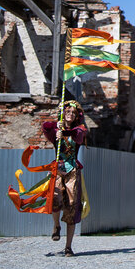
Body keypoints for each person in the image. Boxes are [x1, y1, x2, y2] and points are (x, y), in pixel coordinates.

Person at [42, 100, 87, 257]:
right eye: (67, 111)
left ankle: (68, 247)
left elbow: (79, 135)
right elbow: (45, 127)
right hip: (58, 168)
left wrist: (65, 133)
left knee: (72, 206)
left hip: (72, 170)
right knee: (54, 196)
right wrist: (57, 126)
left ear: (76, 116)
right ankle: (56, 226)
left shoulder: (78, 129)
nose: (70, 114)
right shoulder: (57, 128)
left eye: (73, 113)